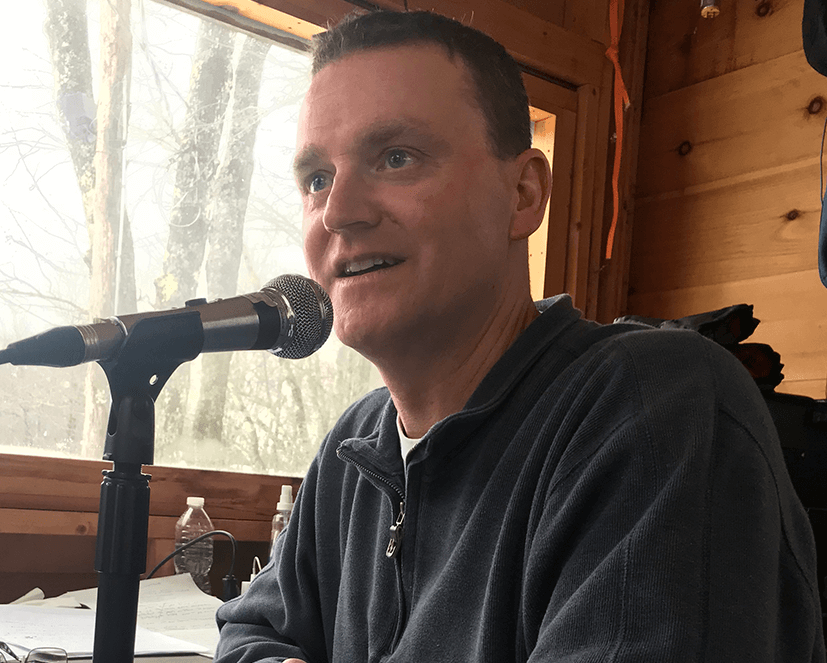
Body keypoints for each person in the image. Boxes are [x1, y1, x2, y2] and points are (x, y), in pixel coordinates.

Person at [214, 9, 826, 662]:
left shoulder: (655, 405)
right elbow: (250, 630)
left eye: (396, 157)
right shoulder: (355, 446)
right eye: (317, 179)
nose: (338, 211)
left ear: (525, 193)